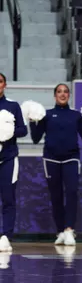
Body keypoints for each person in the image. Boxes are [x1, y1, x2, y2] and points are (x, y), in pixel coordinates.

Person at [28, 84, 82, 246]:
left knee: (72, 192)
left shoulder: (76, 115)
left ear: (69, 95)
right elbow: (36, 138)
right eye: (59, 92)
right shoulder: (47, 115)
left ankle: (69, 230)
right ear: (54, 96)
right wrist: (32, 121)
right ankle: (60, 231)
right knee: (56, 196)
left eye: (66, 92)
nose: (63, 94)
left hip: (71, 159)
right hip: (51, 159)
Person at [0, 73, 27, 252]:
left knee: (8, 198)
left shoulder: (12, 105)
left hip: (8, 158)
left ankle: (5, 236)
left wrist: (10, 131)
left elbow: (23, 130)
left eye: (0, 81)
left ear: (5, 85)